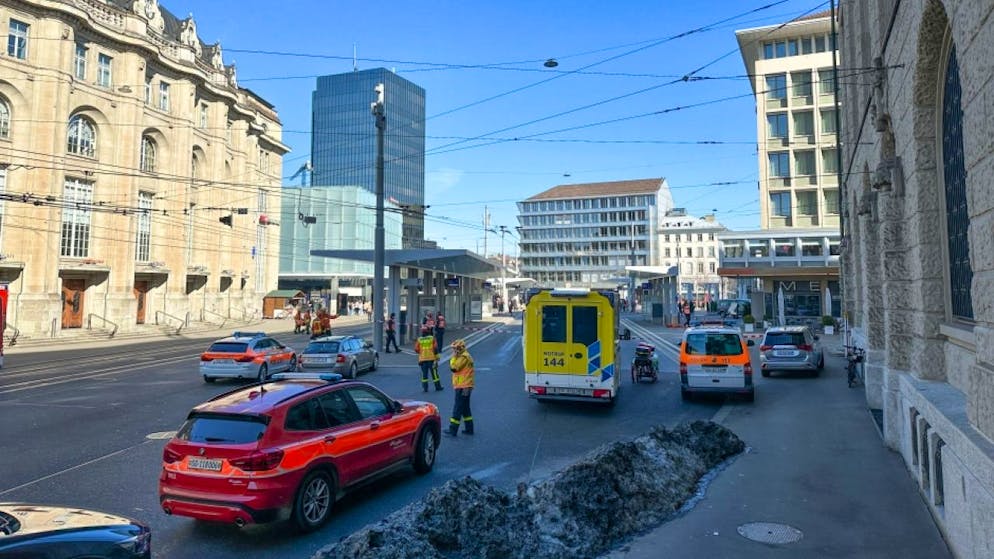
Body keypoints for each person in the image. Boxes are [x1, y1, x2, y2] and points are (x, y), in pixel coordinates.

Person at [445, 339, 474, 436]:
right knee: (465, 408)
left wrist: (453, 358)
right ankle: (469, 428)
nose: (454, 351)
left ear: (460, 348)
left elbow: (454, 368)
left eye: (455, 349)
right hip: (466, 385)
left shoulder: (463, 357)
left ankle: (453, 429)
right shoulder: (465, 356)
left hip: (463, 386)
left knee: (457, 407)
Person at [415, 326, 443, 392]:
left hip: (422, 360)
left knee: (424, 374)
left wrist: (421, 353)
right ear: (428, 331)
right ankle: (438, 387)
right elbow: (435, 348)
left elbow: (416, 349)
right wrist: (437, 357)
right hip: (431, 359)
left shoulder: (419, 339)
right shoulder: (432, 338)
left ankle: (425, 388)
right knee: (434, 374)